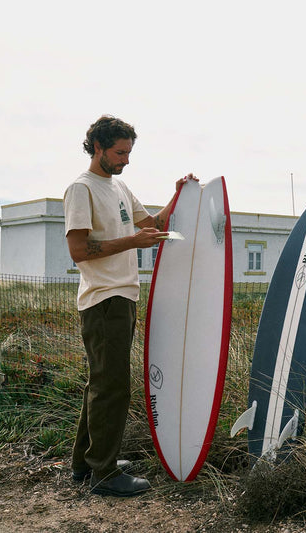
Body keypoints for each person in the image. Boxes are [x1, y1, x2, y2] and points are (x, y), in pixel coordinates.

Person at [64, 115, 195, 497]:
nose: (126, 159)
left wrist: (176, 196)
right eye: (120, 152)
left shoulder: (118, 186)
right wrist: (133, 242)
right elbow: (78, 250)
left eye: (129, 152)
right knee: (113, 387)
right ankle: (104, 474)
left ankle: (86, 463)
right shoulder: (81, 189)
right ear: (99, 147)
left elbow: (150, 224)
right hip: (103, 299)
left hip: (122, 296)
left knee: (101, 384)